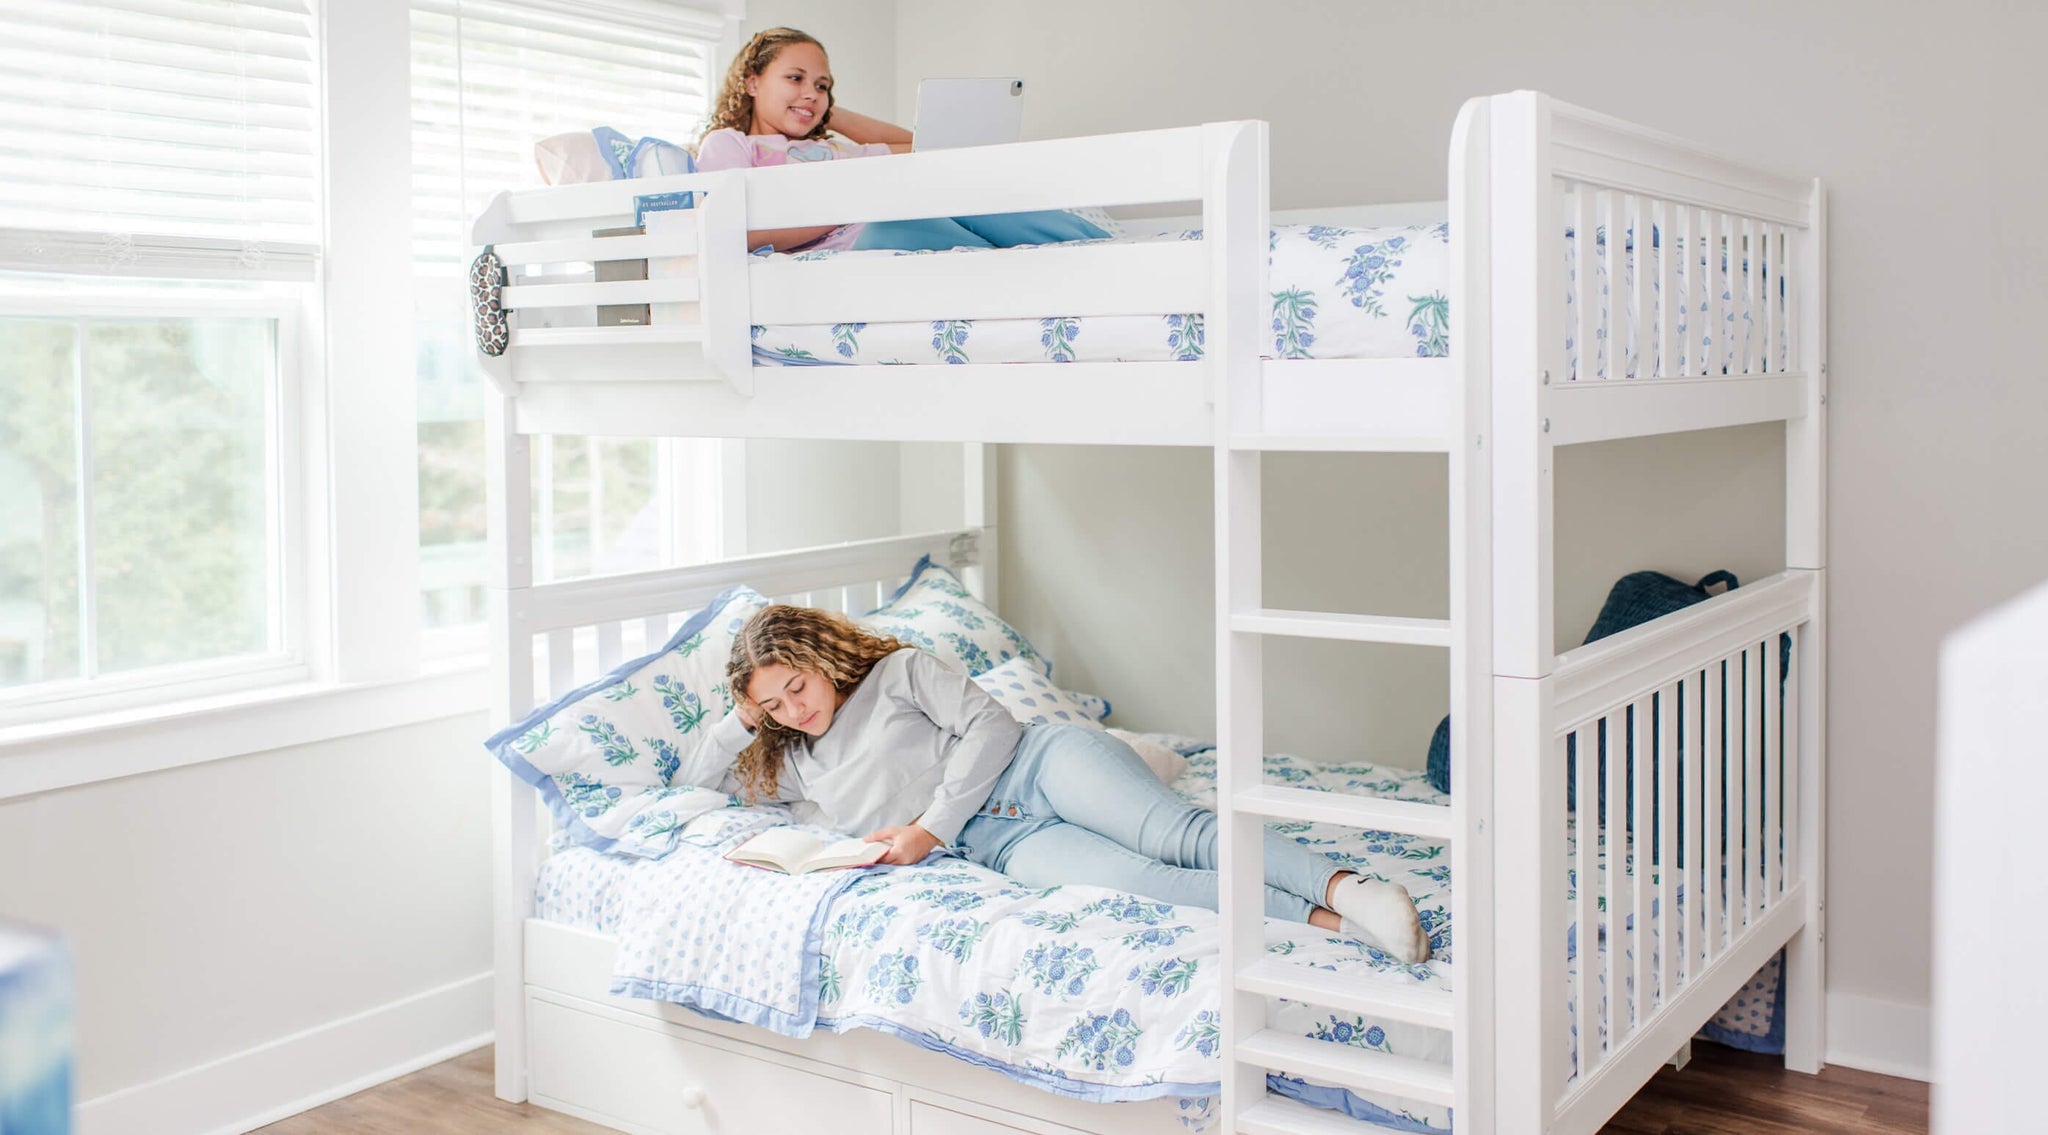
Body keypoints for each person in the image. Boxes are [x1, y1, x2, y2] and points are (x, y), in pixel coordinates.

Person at [674, 604, 1434, 965]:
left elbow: (995, 727)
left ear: (821, 656)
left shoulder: (899, 673)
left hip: (1038, 766)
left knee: (1175, 834)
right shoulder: (796, 765)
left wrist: (928, 829)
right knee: (1147, 884)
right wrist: (743, 721)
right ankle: (1335, 925)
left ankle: (1347, 887)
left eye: (796, 687)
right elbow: (694, 785)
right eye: (773, 704)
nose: (794, 710)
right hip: (1004, 842)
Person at [692, 27, 1110, 255]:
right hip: (862, 239)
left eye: (822, 85)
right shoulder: (729, 144)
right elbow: (734, 232)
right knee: (903, 219)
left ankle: (1104, 252)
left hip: (885, 214)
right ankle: (1044, 273)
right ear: (752, 82)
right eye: (795, 79)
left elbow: (928, 149)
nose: (811, 92)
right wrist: (852, 200)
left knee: (975, 187)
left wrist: (826, 110)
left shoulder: (837, 152)